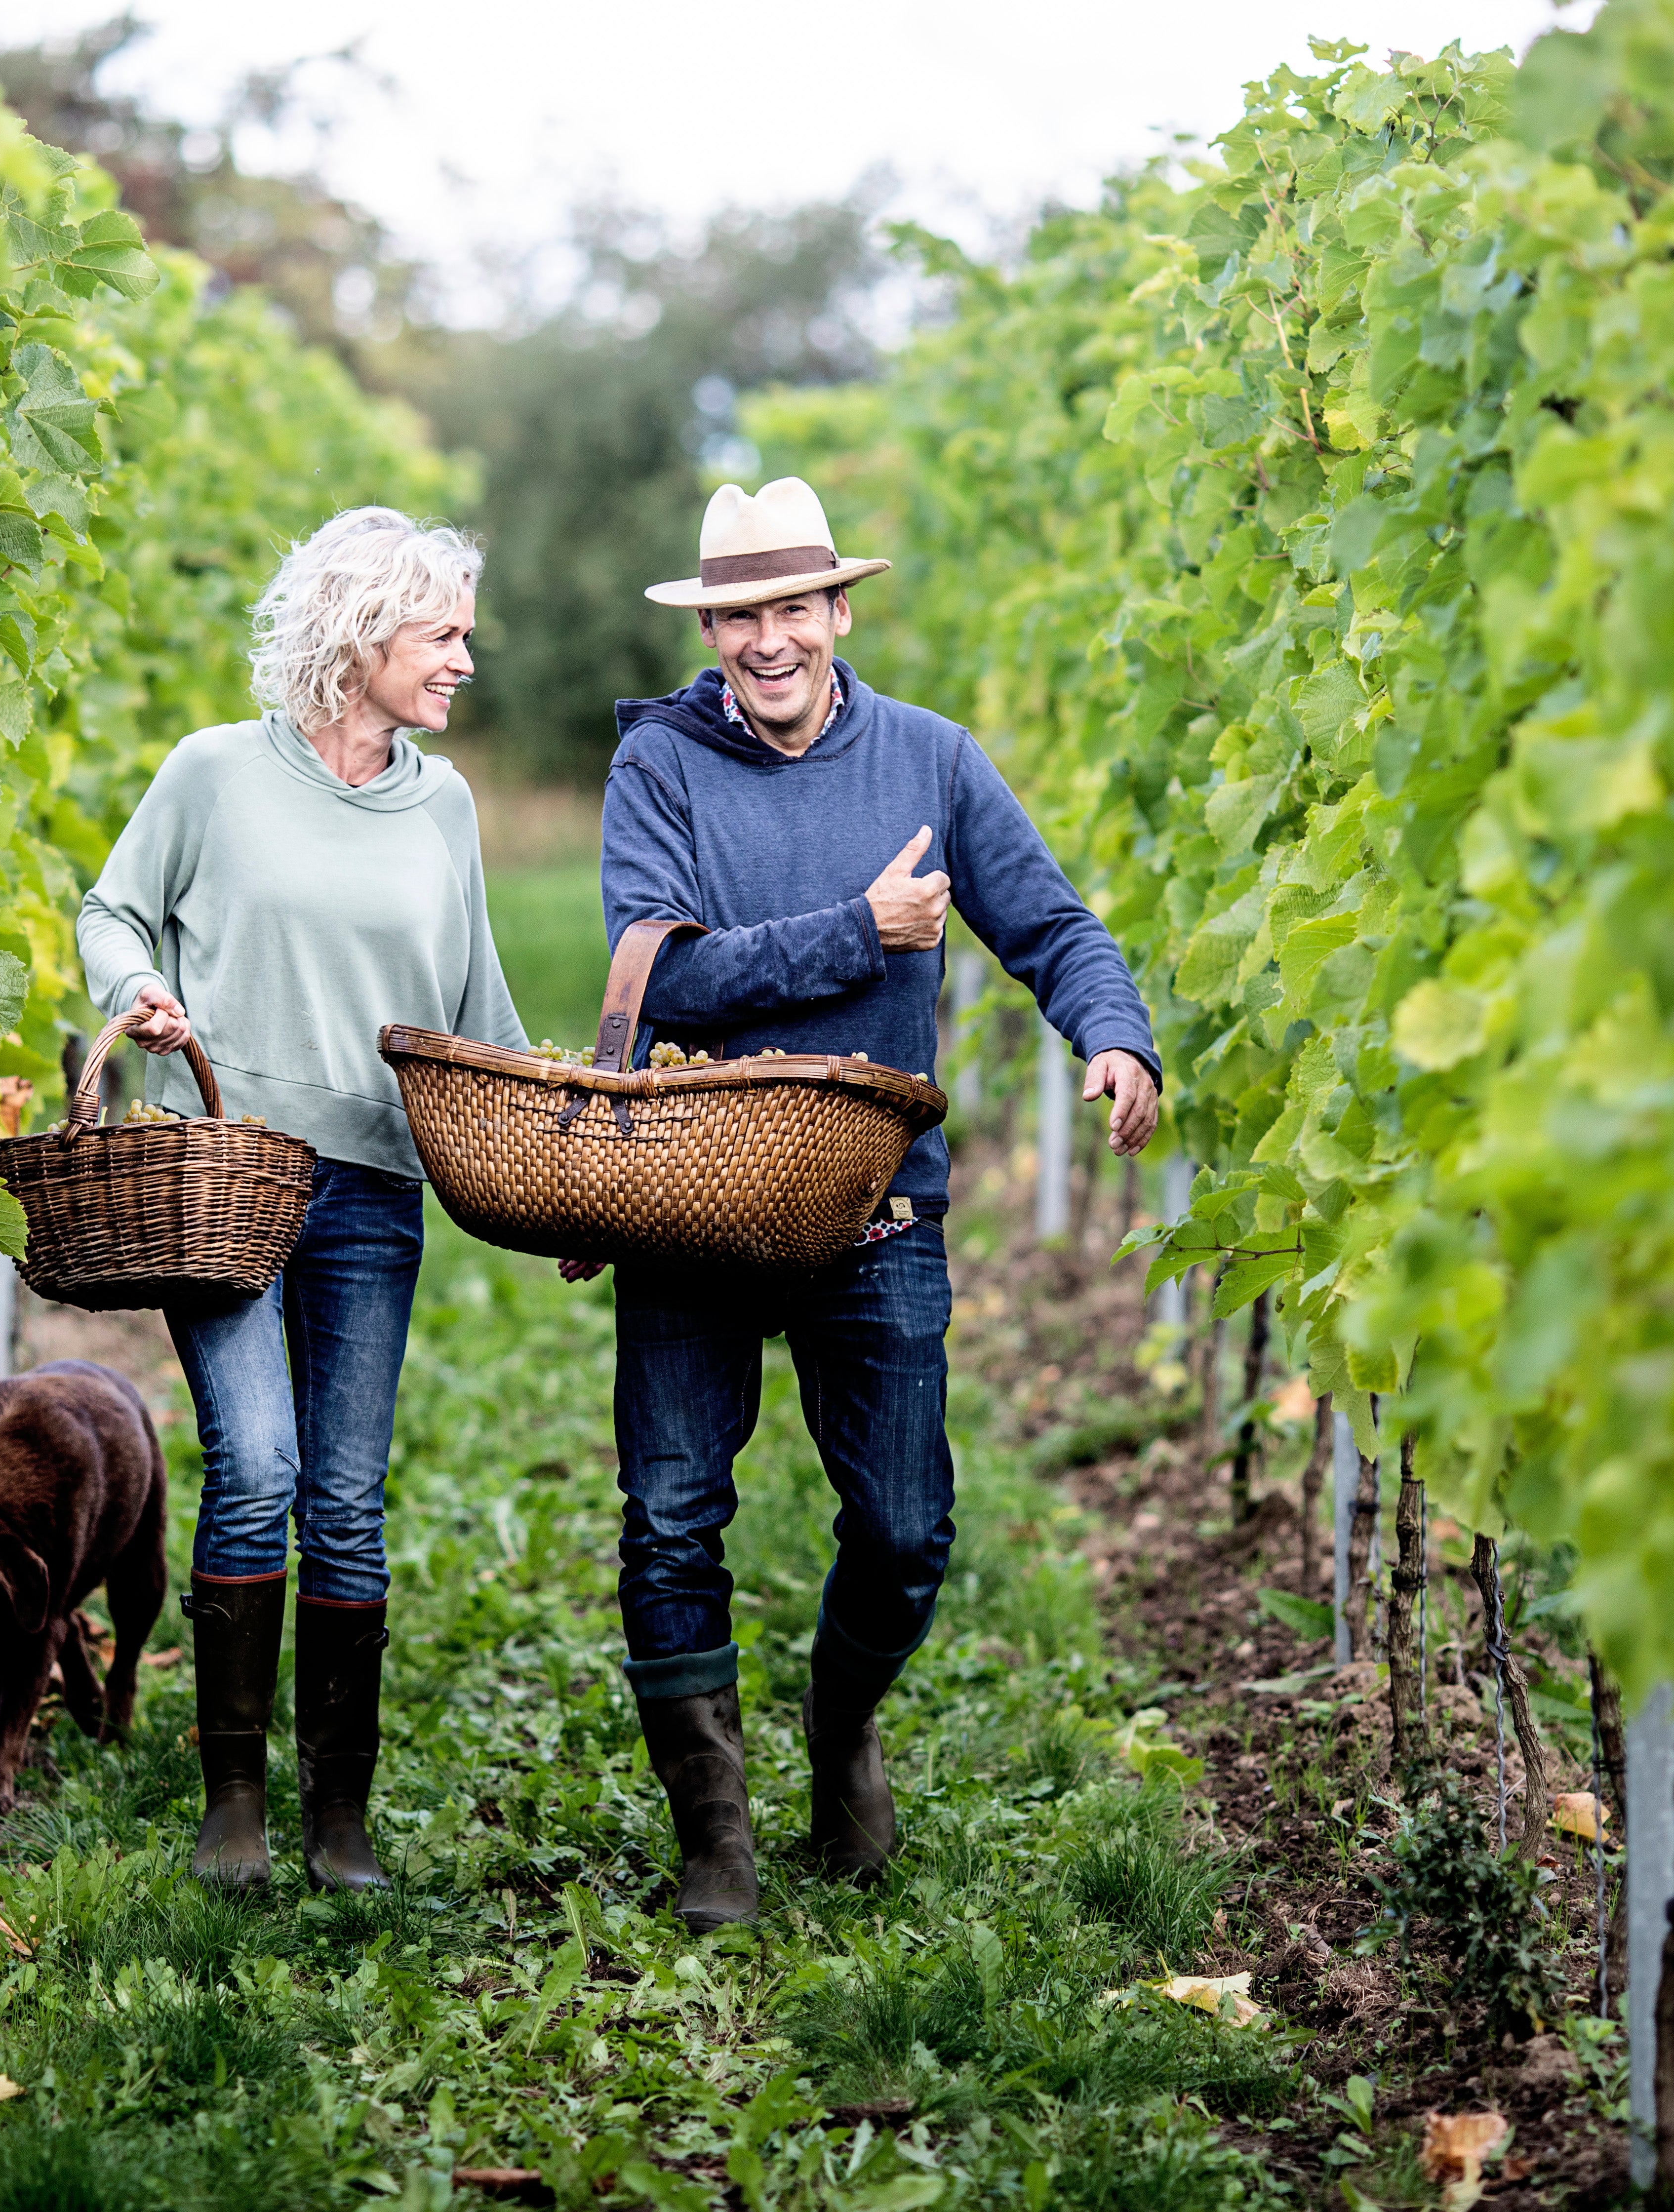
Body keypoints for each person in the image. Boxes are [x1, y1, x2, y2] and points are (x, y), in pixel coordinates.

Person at [583, 476, 1163, 1930]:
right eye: (737, 616)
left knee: (907, 1527)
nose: (765, 639)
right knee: (667, 1518)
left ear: (840, 610)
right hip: (694, 1201)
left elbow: (1053, 924)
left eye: (791, 607)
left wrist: (1115, 1034)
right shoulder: (660, 769)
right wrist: (860, 931)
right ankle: (714, 1835)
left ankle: (840, 1730)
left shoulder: (931, 762)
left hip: (878, 1210)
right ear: (711, 629)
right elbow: (661, 977)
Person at [77, 508, 527, 1892]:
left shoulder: (442, 804)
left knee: (343, 1498)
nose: (464, 660)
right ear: (362, 631)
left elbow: (477, 1014)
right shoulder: (215, 776)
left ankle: (339, 1815)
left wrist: (562, 1166)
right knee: (259, 1468)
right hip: (224, 1185)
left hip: (375, 1191)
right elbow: (114, 910)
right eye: (442, 633)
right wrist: (134, 993)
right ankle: (234, 1804)